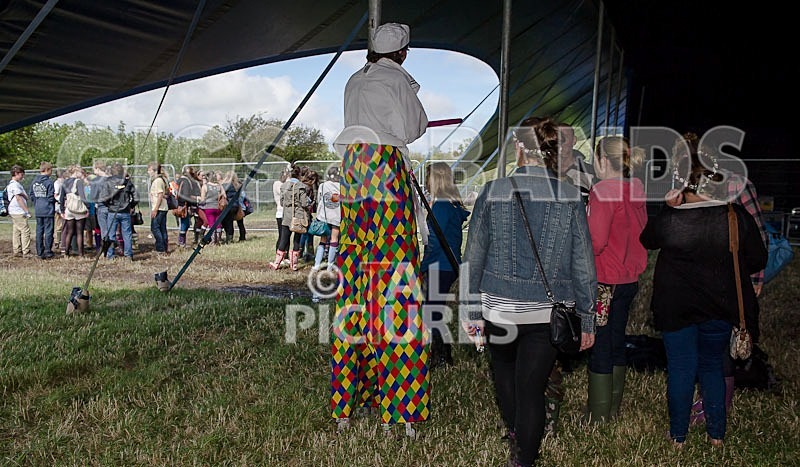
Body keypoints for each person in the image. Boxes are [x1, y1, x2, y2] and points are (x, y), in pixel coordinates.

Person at [461, 116, 596, 466]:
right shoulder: (570, 195)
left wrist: (469, 311)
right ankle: (523, 458)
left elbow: (472, 257)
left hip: (498, 309)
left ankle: (517, 438)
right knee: (532, 390)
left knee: (505, 378)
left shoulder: (493, 191)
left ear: (520, 148)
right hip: (548, 312)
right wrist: (588, 319)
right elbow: (583, 262)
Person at [330, 22, 429, 436]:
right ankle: (400, 407)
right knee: (394, 288)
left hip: (354, 172)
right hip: (386, 172)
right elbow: (413, 129)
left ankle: (349, 400)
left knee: (355, 287)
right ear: (403, 52)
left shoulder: (355, 79)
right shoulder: (395, 80)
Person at [640, 149, 767, 448]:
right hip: (720, 306)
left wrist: (668, 207)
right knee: (712, 365)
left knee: (681, 367)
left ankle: (678, 437)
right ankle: (716, 435)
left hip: (675, 307)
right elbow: (758, 258)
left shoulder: (672, 221)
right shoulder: (735, 216)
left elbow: (647, 239)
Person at [665, 131, 769, 425]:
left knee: (720, 346)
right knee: (705, 345)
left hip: (725, 279)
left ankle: (715, 407)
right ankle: (709, 408)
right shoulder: (682, 188)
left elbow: (758, 235)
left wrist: (756, 278)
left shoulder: (736, 184)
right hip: (690, 282)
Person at [584, 136, 647, 423]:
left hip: (604, 281)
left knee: (600, 344)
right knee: (617, 340)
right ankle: (613, 406)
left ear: (602, 160)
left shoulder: (603, 191)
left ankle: (599, 414)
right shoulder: (635, 189)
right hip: (629, 278)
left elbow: (595, 241)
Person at [420, 162, 470, 368]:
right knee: (435, 310)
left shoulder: (441, 205)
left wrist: (423, 266)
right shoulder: (452, 204)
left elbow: (434, 241)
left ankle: (441, 356)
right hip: (449, 265)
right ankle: (440, 353)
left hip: (438, 265)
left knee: (432, 311)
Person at [274, 165, 310, 271]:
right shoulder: (301, 186)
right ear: (299, 175)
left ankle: (277, 263)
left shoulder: (284, 186)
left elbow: (281, 202)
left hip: (286, 216)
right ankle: (294, 264)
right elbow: (304, 203)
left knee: (284, 238)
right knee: (297, 240)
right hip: (298, 216)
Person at [101, 163, 137, 260]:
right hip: (125, 211)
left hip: (113, 211)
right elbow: (136, 197)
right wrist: (131, 205)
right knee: (127, 233)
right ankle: (128, 255)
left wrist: (109, 205)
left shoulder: (108, 182)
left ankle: (110, 255)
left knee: (111, 234)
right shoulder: (127, 182)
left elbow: (103, 198)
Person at [311, 165, 342, 272]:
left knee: (322, 241)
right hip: (337, 216)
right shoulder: (342, 187)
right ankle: (330, 266)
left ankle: (316, 265)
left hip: (324, 216)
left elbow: (319, 199)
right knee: (334, 241)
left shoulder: (323, 186)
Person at [58, 165, 89, 257]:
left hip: (69, 209)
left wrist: (62, 210)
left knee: (69, 231)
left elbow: (61, 198)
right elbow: (83, 196)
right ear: (76, 172)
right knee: (79, 232)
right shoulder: (79, 182)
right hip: (78, 209)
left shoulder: (65, 182)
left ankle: (66, 252)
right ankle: (80, 253)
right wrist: (87, 207)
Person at [28, 161, 56, 259]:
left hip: (38, 209)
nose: (51, 172)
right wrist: (53, 201)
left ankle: (39, 251)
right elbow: (50, 197)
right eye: (51, 170)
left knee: (39, 230)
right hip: (48, 210)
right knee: (48, 231)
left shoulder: (34, 181)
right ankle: (48, 251)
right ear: (47, 170)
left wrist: (37, 202)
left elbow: (31, 194)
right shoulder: (49, 182)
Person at [6, 165, 33, 257]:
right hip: (18, 211)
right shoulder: (15, 185)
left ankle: (17, 250)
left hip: (13, 211)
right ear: (16, 174)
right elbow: (18, 199)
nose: (23, 176)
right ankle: (26, 251)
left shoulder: (12, 184)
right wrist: (26, 211)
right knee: (25, 230)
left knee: (17, 230)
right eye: (21, 174)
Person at [147, 162, 170, 254]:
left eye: (149, 170)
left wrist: (155, 209)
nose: (148, 172)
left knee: (155, 228)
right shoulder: (161, 180)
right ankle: (164, 247)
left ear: (155, 171)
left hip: (159, 208)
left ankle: (160, 248)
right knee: (162, 228)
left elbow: (160, 195)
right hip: (163, 208)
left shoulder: (157, 181)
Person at [177, 166, 202, 247]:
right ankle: (181, 243)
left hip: (182, 204)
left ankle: (182, 242)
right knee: (185, 224)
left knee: (185, 223)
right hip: (185, 205)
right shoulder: (186, 181)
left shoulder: (180, 180)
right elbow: (186, 195)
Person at [199, 171, 224, 245]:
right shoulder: (219, 186)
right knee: (218, 223)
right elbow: (224, 195)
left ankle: (213, 241)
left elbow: (203, 200)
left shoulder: (205, 186)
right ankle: (219, 239)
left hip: (209, 207)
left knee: (211, 224)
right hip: (218, 207)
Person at [53, 168, 66, 252]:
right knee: (58, 225)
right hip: (58, 206)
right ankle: (57, 241)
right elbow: (56, 195)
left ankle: (62, 240)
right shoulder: (57, 183)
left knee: (63, 224)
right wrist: (60, 200)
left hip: (63, 204)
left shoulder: (63, 182)